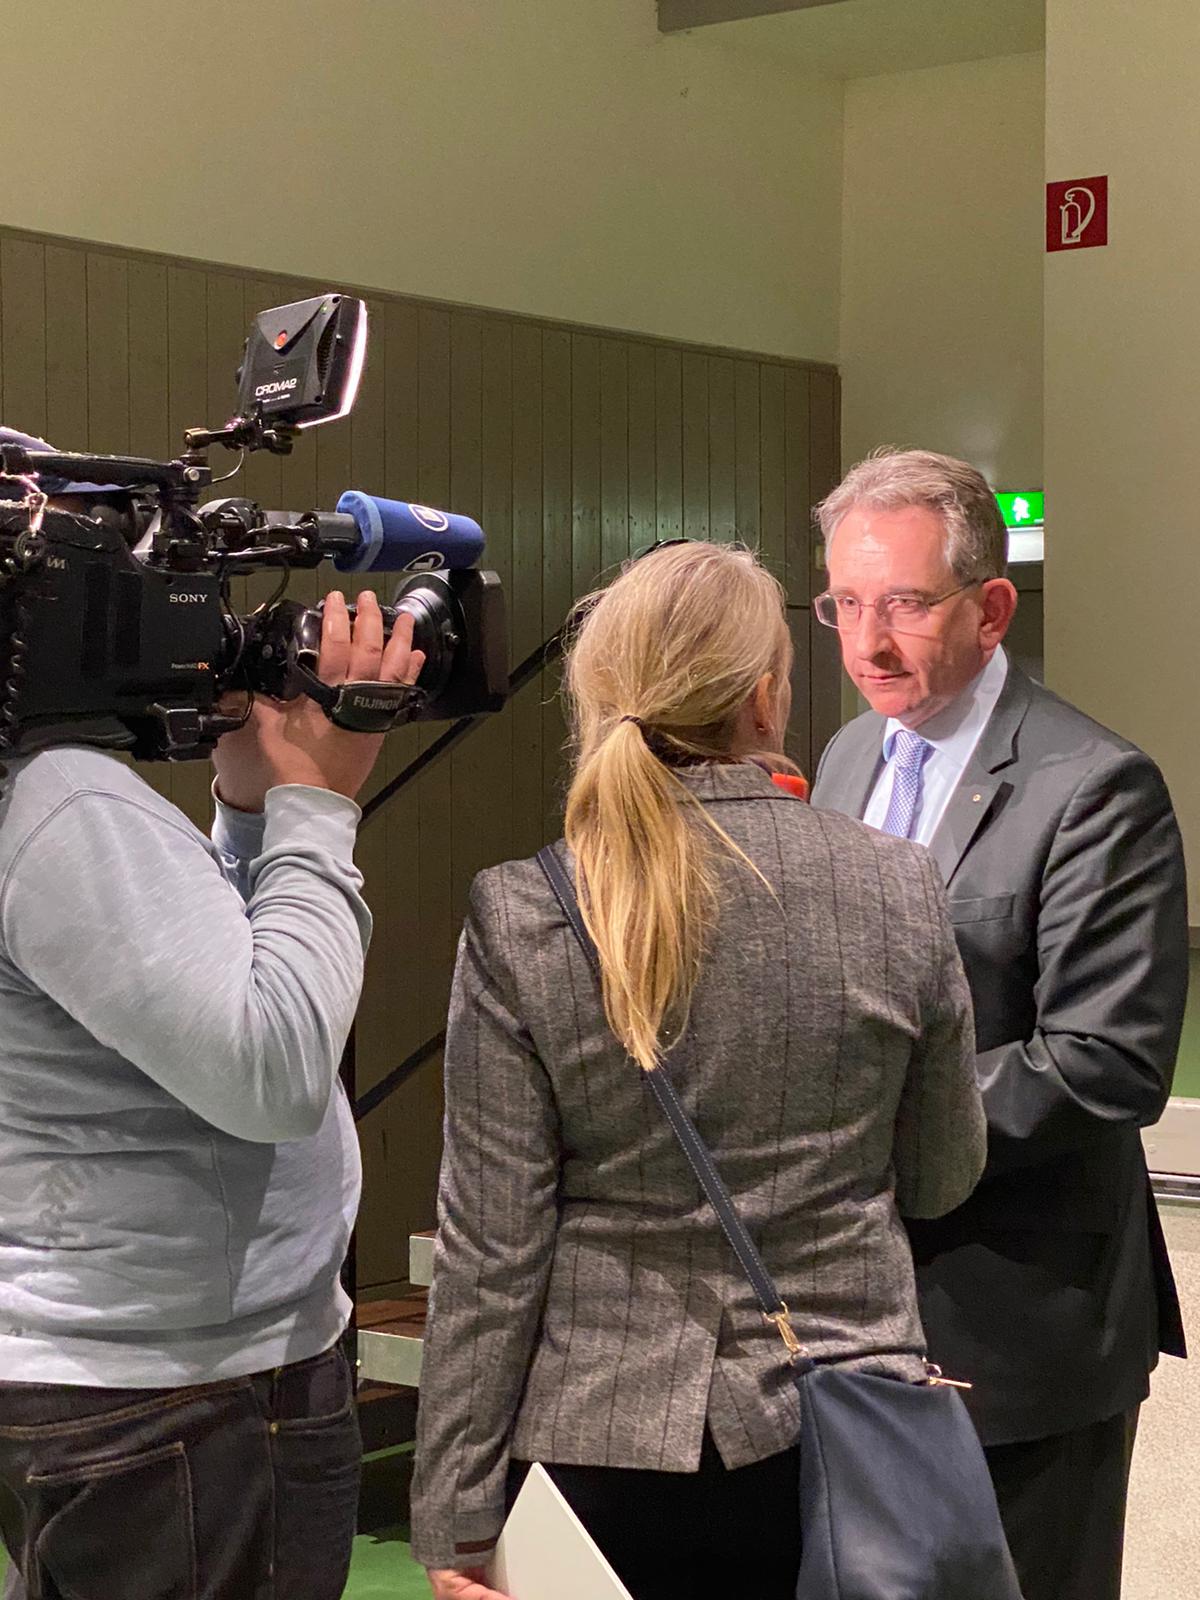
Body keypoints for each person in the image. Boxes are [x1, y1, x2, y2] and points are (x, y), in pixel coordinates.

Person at [409, 540, 986, 1600]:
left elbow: (491, 1250)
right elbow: (944, 1175)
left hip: (600, 1446)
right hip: (842, 1433)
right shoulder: (898, 885)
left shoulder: (527, 908)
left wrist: (456, 1510)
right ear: (766, 697)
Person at [0, 433, 425, 1600]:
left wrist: (246, 812)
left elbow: (180, 987)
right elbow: (270, 1067)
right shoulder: (60, 798)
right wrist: (317, 803)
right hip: (184, 1402)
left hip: (120, 1382)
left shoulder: (43, 792)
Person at [809, 448, 1188, 1600]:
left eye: (906, 604)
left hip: (1023, 1327)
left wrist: (871, 1127)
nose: (869, 642)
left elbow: (1105, 1062)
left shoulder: (1095, 784)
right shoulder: (846, 756)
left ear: (992, 609)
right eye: (845, 604)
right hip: (860, 1321)